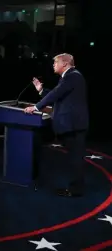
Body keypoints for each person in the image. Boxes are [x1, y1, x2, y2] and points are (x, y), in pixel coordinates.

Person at [24, 53, 89, 197]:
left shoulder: (73, 76)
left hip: (74, 125)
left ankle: (75, 190)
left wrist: (36, 107)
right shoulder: (68, 77)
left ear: (65, 64)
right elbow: (58, 96)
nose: (53, 65)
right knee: (74, 158)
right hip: (72, 124)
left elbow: (56, 94)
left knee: (75, 158)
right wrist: (41, 90)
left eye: (56, 62)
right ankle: (75, 188)